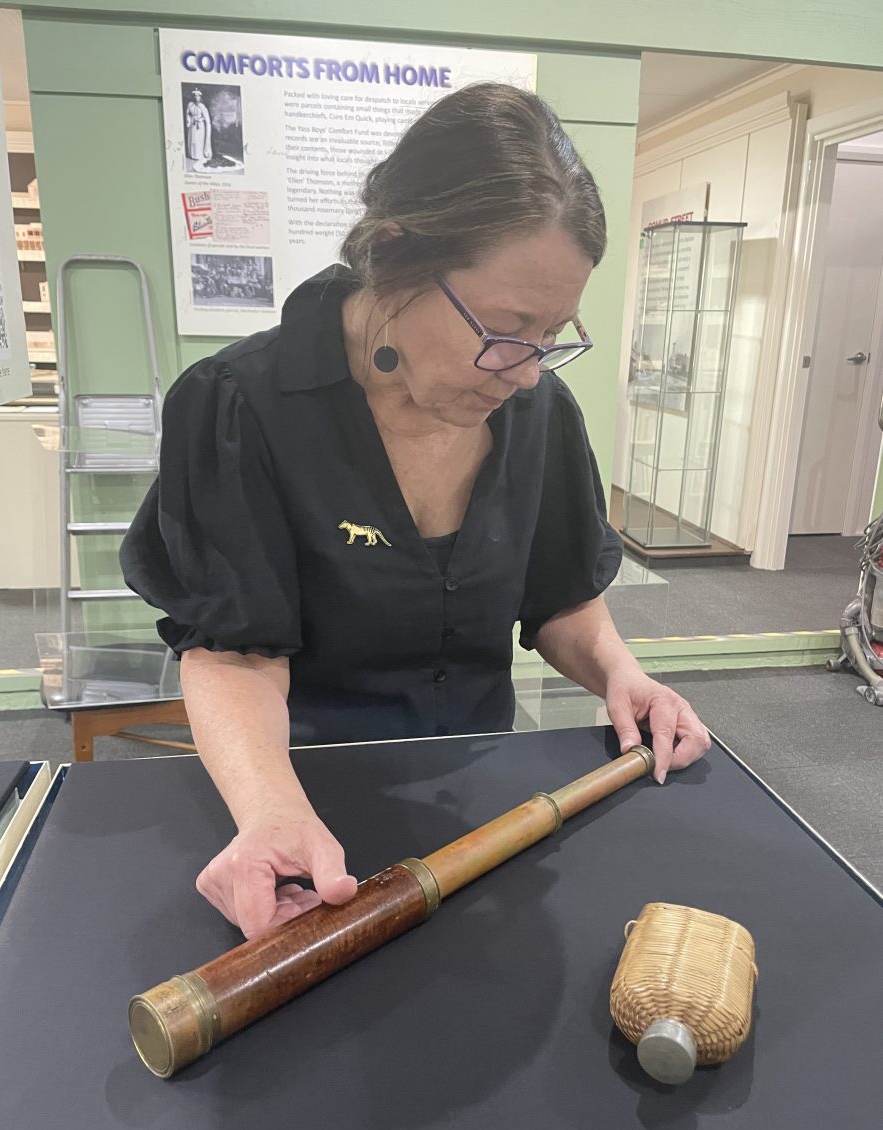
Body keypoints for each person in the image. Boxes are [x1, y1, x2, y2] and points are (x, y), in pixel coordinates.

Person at [121, 83, 710, 941]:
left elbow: (561, 599)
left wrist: (622, 674)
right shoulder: (241, 406)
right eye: (507, 328)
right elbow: (236, 648)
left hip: (486, 798)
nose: (527, 370)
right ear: (394, 254)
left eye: (554, 334)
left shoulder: (538, 413)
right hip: (301, 800)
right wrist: (271, 813)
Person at [185, 88, 212, 164]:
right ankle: (192, 154)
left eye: (198, 96)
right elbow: (188, 114)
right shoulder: (190, 105)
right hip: (192, 125)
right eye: (195, 96)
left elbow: (206, 117)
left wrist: (200, 119)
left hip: (200, 126)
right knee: (193, 139)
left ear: (200, 97)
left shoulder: (202, 106)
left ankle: (199, 155)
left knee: (199, 140)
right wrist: (189, 120)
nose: (196, 97)